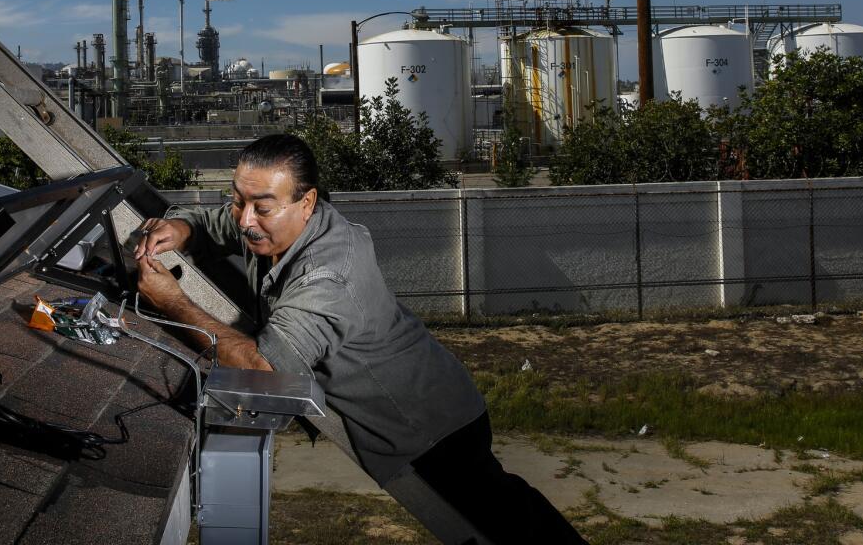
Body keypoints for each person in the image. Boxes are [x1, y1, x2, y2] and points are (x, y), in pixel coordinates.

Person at [134, 133, 585, 544]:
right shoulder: (271, 225)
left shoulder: (328, 274)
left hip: (429, 425)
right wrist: (182, 228)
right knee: (508, 515)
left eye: (262, 207)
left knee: (504, 529)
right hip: (432, 408)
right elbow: (218, 224)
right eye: (239, 201)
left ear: (306, 203)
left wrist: (172, 303)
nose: (247, 219)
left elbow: (261, 368)